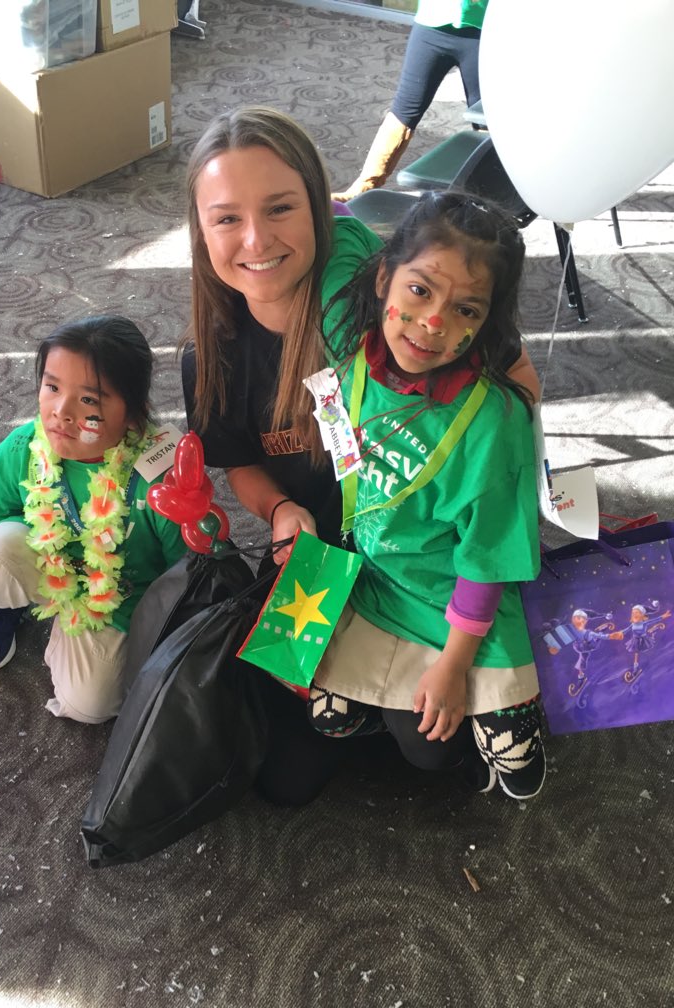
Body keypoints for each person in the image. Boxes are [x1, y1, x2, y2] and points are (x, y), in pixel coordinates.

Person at [181, 106, 539, 802]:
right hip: (319, 556)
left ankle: (414, 697)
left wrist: (509, 467)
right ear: (200, 228)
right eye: (226, 218)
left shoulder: (378, 301)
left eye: (280, 208)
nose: (256, 239)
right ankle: (364, 701)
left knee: (433, 755)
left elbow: (512, 377)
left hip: (416, 556)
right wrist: (281, 510)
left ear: (321, 208)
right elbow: (241, 466)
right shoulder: (213, 351)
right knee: (283, 779)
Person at [305, 191, 545, 800]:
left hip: (452, 599)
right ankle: (389, 704)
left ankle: (491, 713)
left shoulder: (493, 422)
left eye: (466, 310)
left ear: (486, 322)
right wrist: (330, 203)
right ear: (384, 277)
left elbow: (487, 559)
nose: (435, 323)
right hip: (372, 579)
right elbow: (334, 223)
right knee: (329, 718)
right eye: (419, 290)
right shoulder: (345, 333)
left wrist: (455, 664)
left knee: (507, 767)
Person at [0, 315, 186, 725]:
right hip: (44, 561)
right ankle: (11, 602)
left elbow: (184, 580)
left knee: (89, 707)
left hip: (120, 597)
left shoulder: (160, 475)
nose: (60, 411)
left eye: (89, 401)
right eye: (52, 387)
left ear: (133, 415)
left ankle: (69, 630)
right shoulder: (25, 446)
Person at [333, 0, 489, 202]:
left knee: (486, 118)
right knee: (403, 109)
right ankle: (364, 186)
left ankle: (488, 197)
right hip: (431, 24)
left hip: (484, 31)